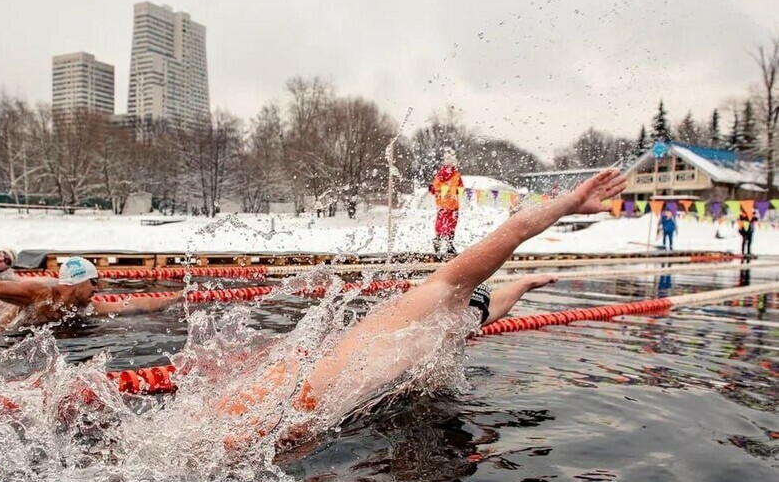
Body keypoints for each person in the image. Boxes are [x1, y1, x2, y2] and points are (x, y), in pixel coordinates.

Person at [215, 168, 627, 448]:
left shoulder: (448, 323)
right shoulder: (439, 292)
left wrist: (524, 284)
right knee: (210, 452)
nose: (468, 327)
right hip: (299, 400)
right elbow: (514, 230)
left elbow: (489, 311)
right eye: (471, 312)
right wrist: (570, 202)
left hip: (310, 408)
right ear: (468, 294)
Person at [0, 256, 178, 328]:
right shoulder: (40, 294)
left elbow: (133, 304)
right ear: (77, 282)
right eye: (94, 282)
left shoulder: (85, 308)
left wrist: (175, 298)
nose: (98, 289)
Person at [429, 149, 465, 255]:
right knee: (451, 224)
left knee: (440, 223)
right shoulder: (456, 175)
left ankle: (438, 240)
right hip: (453, 204)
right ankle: (449, 244)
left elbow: (433, 188)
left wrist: (439, 192)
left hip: (442, 204)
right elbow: (461, 189)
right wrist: (454, 191)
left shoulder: (440, 175)